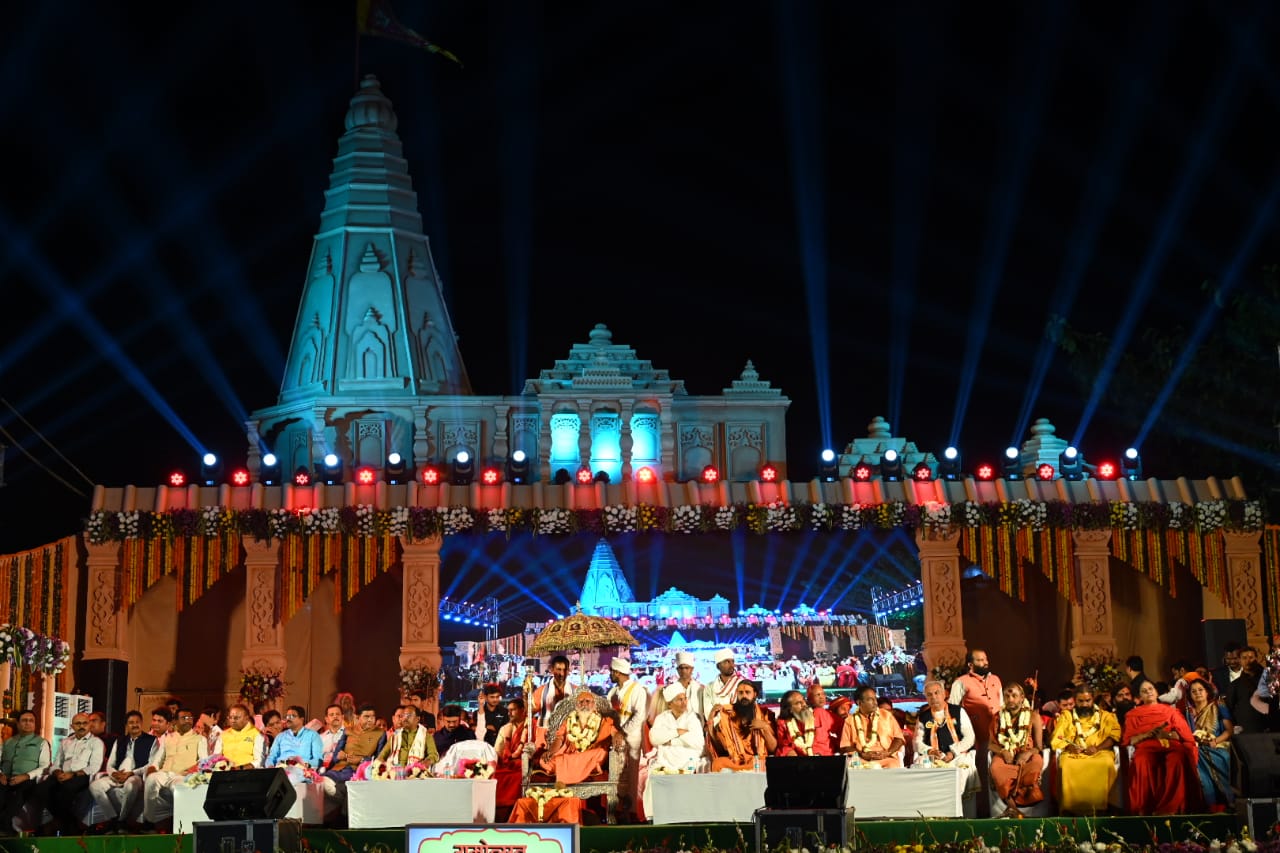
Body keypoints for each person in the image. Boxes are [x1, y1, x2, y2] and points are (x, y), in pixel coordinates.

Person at [1122, 681, 1200, 815]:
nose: (1148, 692)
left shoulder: (1170, 711)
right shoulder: (1133, 715)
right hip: (1146, 747)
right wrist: (1147, 735)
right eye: (1144, 691)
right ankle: (1145, 807)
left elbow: (1185, 735)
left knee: (1178, 758)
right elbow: (1128, 740)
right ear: (1139, 697)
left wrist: (1167, 735)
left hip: (1170, 745)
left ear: (1156, 692)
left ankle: (1171, 806)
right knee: (1141, 760)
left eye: (1151, 688)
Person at [1050, 684, 1120, 816]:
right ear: (1075, 700)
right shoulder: (1067, 716)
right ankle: (1070, 809)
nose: (1084, 704)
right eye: (1080, 701)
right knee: (1066, 765)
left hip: (1100, 752)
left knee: (1106, 763)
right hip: (1073, 753)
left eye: (1088, 700)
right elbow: (1057, 737)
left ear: (1093, 699)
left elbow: (1114, 736)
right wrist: (1070, 747)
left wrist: (1097, 748)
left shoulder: (1106, 716)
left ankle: (1101, 808)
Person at [29, 712, 104, 834]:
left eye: (85, 723)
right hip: (62, 775)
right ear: (72, 726)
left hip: (81, 776)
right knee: (39, 790)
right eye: (78, 723)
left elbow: (94, 767)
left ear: (89, 725)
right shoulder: (66, 742)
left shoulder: (96, 742)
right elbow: (56, 764)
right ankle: (70, 823)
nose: (81, 726)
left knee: (64, 791)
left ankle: (59, 825)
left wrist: (72, 774)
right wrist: (58, 772)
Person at [87, 710, 159, 833]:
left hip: (136, 776)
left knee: (130, 785)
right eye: (131, 722)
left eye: (137, 722)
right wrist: (114, 773)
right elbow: (110, 764)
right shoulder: (120, 740)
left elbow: (151, 764)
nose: (134, 725)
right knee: (94, 786)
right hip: (118, 775)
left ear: (141, 723)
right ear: (126, 725)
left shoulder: (152, 740)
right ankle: (113, 819)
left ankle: (122, 819)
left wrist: (132, 773)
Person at [142, 707, 208, 831]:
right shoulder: (167, 738)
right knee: (151, 780)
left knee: (178, 789)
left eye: (190, 718)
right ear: (176, 721)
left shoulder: (200, 739)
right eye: (184, 718)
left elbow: (203, 762)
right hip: (164, 773)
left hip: (182, 775)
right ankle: (149, 821)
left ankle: (181, 827)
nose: (188, 720)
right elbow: (157, 761)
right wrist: (152, 769)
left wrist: (191, 771)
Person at [912, 680, 978, 797]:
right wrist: (930, 751)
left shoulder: (958, 711)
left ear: (944, 694)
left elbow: (970, 737)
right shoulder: (923, 717)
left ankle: (958, 804)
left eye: (936, 693)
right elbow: (917, 742)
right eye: (929, 695)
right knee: (921, 768)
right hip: (934, 757)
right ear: (926, 698)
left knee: (962, 770)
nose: (933, 697)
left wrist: (953, 752)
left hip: (958, 755)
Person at [987, 682, 1043, 818]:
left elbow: (1039, 747)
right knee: (996, 767)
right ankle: (1012, 807)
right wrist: (1004, 752)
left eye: (1014, 696)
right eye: (1007, 696)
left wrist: (1027, 754)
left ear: (1022, 697)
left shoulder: (1033, 716)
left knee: (1036, 762)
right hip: (1005, 753)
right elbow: (990, 745)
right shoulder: (997, 717)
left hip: (1027, 754)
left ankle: (1019, 806)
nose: (1010, 699)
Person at [537, 690, 616, 784]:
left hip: (590, 754)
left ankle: (566, 769)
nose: (584, 704)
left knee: (601, 753)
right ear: (576, 706)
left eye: (587, 701)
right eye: (581, 702)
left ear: (594, 705)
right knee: (544, 761)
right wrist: (550, 751)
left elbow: (615, 732)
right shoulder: (568, 720)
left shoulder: (604, 721)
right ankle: (581, 768)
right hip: (571, 754)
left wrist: (618, 736)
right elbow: (559, 738)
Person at [0, 710, 52, 837]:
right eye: (24, 720)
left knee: (20, 792)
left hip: (28, 779)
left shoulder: (42, 742)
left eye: (31, 721)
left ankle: (5, 827)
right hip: (5, 778)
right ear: (18, 724)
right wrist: (0, 774)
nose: (28, 723)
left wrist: (26, 776)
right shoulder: (7, 742)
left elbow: (45, 766)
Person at [1185, 679, 1233, 811]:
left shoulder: (1218, 706)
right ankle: (1210, 805)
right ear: (1190, 695)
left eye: (1200, 690)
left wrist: (1215, 741)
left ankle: (1228, 801)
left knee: (1204, 756)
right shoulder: (1189, 713)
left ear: (1207, 692)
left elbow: (1229, 730)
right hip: (1198, 748)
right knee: (1194, 756)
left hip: (1217, 746)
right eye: (1193, 691)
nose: (1197, 693)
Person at [607, 658, 646, 818]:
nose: (610, 674)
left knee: (630, 778)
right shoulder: (612, 692)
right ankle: (615, 811)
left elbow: (639, 716)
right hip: (615, 740)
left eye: (612, 671)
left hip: (632, 740)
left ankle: (631, 813)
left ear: (617, 672)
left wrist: (622, 732)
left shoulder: (638, 690)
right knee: (616, 777)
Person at [708, 681, 776, 771]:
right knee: (718, 763)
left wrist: (764, 727)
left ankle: (740, 771)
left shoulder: (765, 714)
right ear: (737, 694)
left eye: (747, 692)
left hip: (756, 759)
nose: (744, 696)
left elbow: (773, 748)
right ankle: (742, 770)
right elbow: (720, 749)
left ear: (755, 694)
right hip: (735, 760)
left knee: (765, 761)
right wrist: (710, 720)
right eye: (740, 693)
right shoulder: (728, 715)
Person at [841, 685, 904, 767]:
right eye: (870, 699)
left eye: (875, 699)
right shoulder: (850, 720)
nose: (875, 703)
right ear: (859, 702)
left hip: (886, 757)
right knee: (853, 766)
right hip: (862, 759)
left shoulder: (886, 715)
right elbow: (845, 746)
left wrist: (887, 752)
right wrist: (862, 754)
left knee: (892, 765)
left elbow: (899, 738)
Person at [493, 699, 530, 815]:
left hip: (523, 764)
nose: (509, 713)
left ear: (522, 710)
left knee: (518, 776)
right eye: (508, 710)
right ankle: (499, 810)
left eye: (512, 710)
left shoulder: (531, 727)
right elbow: (497, 751)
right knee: (495, 775)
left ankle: (515, 810)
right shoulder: (505, 729)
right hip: (508, 764)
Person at [650, 652, 703, 722]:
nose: (683, 670)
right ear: (677, 670)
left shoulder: (700, 689)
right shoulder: (670, 690)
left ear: (692, 669)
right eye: (681, 668)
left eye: (686, 668)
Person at [530, 656, 575, 736]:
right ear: (552, 670)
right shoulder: (541, 691)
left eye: (565, 670)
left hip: (569, 735)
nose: (562, 674)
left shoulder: (575, 691)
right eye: (559, 669)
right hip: (545, 735)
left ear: (568, 671)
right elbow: (529, 712)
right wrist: (525, 696)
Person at [775, 690, 827, 757]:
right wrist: (788, 751)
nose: (804, 704)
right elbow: (783, 746)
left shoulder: (819, 714)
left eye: (803, 700)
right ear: (790, 709)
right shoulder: (783, 724)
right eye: (798, 703)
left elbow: (838, 725)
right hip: (800, 760)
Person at [214, 704, 265, 769]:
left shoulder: (257, 734)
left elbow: (259, 761)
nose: (232, 721)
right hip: (226, 772)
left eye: (236, 718)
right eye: (230, 717)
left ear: (246, 718)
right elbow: (216, 757)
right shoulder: (223, 734)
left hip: (248, 772)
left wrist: (241, 768)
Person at [699, 649, 743, 722]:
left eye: (732, 661)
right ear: (718, 666)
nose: (731, 665)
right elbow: (708, 714)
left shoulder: (742, 684)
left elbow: (747, 710)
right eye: (727, 662)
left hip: (738, 725)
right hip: (717, 727)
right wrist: (722, 725)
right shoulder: (709, 687)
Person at [804, 684, 839, 755]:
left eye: (823, 694)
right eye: (818, 695)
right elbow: (819, 739)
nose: (821, 697)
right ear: (809, 699)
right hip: (818, 752)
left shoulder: (828, 713)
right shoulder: (811, 713)